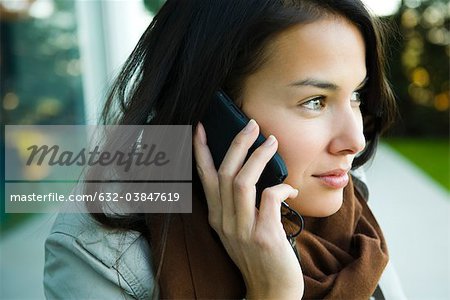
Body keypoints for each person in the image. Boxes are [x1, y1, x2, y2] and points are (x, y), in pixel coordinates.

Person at [44, 0, 403, 299]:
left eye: (355, 94)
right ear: (215, 113)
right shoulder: (99, 252)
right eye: (315, 101)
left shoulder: (349, 201)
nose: (355, 140)